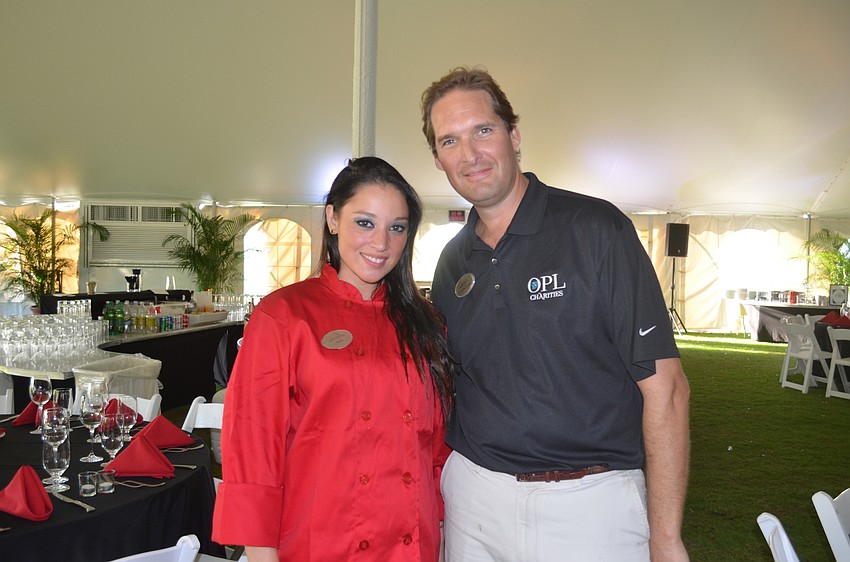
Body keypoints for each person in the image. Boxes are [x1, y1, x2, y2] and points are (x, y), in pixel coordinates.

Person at [420, 66, 691, 561]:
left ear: (513, 135)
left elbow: (667, 389)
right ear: (438, 160)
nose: (471, 154)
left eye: (483, 130)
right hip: (474, 502)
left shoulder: (596, 230)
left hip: (591, 507)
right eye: (450, 141)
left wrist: (666, 536)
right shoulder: (451, 262)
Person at [212, 156, 454, 562]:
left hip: (413, 539)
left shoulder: (426, 323)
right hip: (321, 539)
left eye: (396, 227)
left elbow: (436, 452)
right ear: (333, 218)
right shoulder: (284, 315)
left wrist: (443, 534)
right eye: (365, 222)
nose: (381, 243)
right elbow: (254, 451)